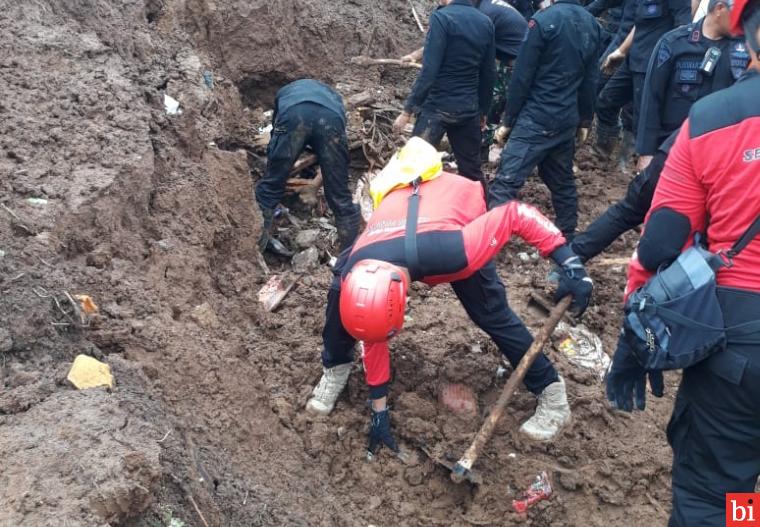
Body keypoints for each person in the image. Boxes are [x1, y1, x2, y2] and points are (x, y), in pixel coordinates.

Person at [306, 152, 593, 454]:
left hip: (450, 212)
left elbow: (515, 214)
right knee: (339, 302)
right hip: (398, 218)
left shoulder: (458, 251)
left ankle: (552, 391)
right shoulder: (354, 270)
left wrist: (569, 262)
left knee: (490, 312)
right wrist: (379, 411)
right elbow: (373, 330)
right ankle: (336, 366)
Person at [606, 0, 760, 522]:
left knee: (719, 497)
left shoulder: (713, 120)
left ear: (750, 40)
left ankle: (744, 516)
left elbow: (659, 245)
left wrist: (635, 338)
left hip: (739, 351)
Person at [571, 0, 749, 263]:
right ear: (720, 8)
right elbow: (651, 100)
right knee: (631, 208)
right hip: (671, 153)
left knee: (707, 226)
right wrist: (646, 152)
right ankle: (573, 256)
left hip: (718, 160)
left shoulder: (744, 52)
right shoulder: (673, 43)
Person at [489, 0, 602, 241]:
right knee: (560, 179)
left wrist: (508, 119)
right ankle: (568, 235)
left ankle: (489, 240)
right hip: (566, 118)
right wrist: (584, 119)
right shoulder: (591, 24)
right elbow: (590, 79)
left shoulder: (543, 21)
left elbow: (522, 74)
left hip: (537, 117)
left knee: (506, 181)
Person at [393, 0, 496, 187]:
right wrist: (483, 111)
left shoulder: (442, 18)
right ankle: (484, 212)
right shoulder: (485, 22)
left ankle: (414, 214)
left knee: (414, 168)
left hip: (436, 108)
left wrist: (408, 110)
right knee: (472, 172)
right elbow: (489, 72)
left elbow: (429, 71)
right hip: (468, 109)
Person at [255, 79, 360, 256]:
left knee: (271, 185)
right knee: (340, 196)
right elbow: (336, 142)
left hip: (293, 115)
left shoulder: (285, 92)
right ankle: (349, 258)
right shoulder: (335, 98)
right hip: (330, 121)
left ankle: (257, 249)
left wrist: (278, 166)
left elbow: (276, 134)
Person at [593, 0, 692, 169]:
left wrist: (671, 71)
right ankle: (601, 157)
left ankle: (639, 168)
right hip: (633, 60)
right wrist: (621, 51)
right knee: (605, 101)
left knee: (643, 120)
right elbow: (637, 26)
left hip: (653, 66)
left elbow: (682, 30)